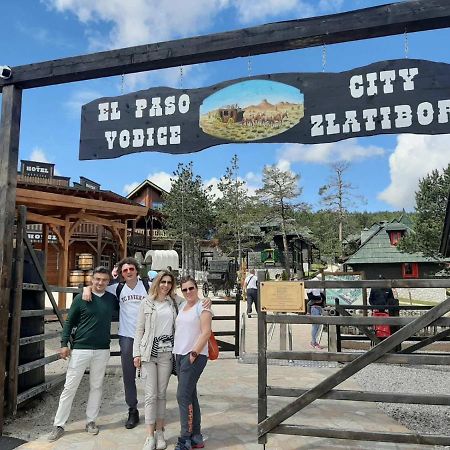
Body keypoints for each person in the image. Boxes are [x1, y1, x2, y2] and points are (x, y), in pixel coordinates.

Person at [48, 266, 118, 442]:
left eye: (104, 280)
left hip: (102, 349)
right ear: (91, 280)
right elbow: (70, 321)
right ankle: (59, 424)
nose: (100, 282)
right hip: (80, 348)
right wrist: (64, 344)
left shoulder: (111, 299)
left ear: (109, 282)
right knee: (70, 386)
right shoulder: (81, 298)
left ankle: (91, 421)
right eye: (97, 279)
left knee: (96, 386)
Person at [83, 257, 150, 429]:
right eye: (125, 270)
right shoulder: (117, 288)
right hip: (127, 336)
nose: (128, 272)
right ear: (121, 273)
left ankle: (153, 410)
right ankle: (132, 410)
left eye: (131, 269)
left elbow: (170, 293)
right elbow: (99, 286)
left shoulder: (148, 287)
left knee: (153, 375)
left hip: (148, 336)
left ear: (137, 270)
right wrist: (87, 288)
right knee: (129, 376)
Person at [133, 270, 180, 450]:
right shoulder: (146, 303)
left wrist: (205, 301)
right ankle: (149, 435)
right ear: (157, 283)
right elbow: (139, 330)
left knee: (161, 395)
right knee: (150, 395)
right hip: (148, 353)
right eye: (163, 282)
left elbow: (193, 301)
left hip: (166, 354)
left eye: (169, 282)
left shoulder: (173, 302)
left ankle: (160, 432)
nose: (166, 285)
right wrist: (136, 353)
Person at [173, 276, 213, 450]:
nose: (188, 292)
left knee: (182, 396)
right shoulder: (182, 306)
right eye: (185, 289)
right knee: (190, 395)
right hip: (179, 354)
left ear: (197, 288)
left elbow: (206, 333)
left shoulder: (203, 307)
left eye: (191, 288)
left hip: (194, 355)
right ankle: (196, 436)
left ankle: (185, 438)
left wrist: (194, 353)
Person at [306, 274, 325, 350]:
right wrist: (319, 298)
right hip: (315, 307)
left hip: (318, 306)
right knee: (315, 326)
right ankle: (313, 342)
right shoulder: (314, 285)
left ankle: (314, 341)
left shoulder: (316, 285)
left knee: (318, 326)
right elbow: (310, 296)